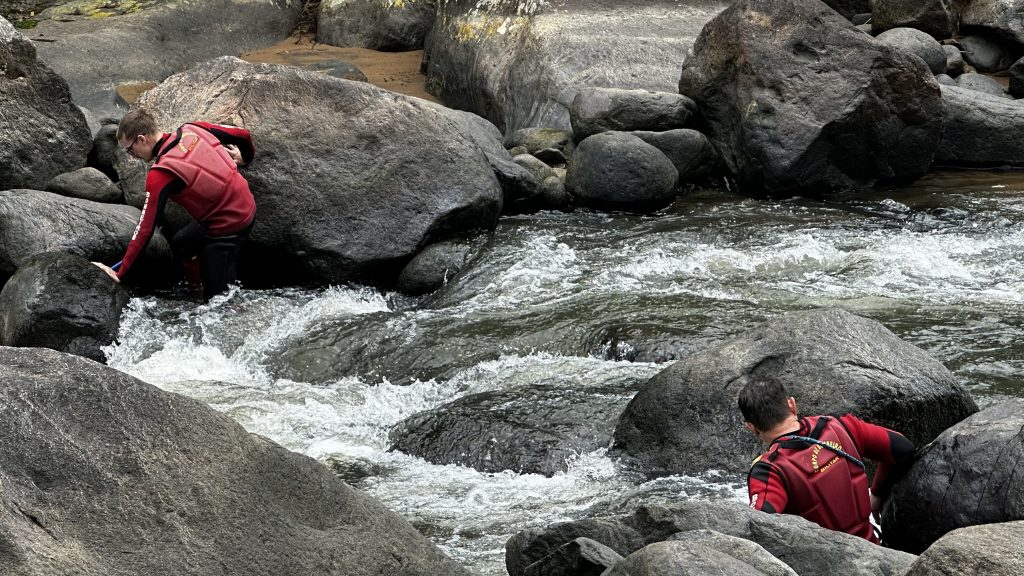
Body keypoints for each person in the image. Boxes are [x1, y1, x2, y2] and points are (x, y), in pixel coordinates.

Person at [93, 108, 257, 301]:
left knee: (219, 301)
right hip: (240, 207)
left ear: (141, 139)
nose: (131, 155)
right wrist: (246, 157)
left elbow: (145, 229)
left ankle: (222, 302)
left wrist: (120, 274)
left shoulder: (161, 174)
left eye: (130, 149)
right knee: (182, 243)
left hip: (229, 228)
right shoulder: (193, 129)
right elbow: (242, 135)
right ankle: (195, 292)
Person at [737, 375, 915, 544]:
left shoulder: (769, 470)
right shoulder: (841, 425)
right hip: (875, 551)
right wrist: (877, 493)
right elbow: (903, 448)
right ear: (792, 405)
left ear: (751, 427)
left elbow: (759, 528)